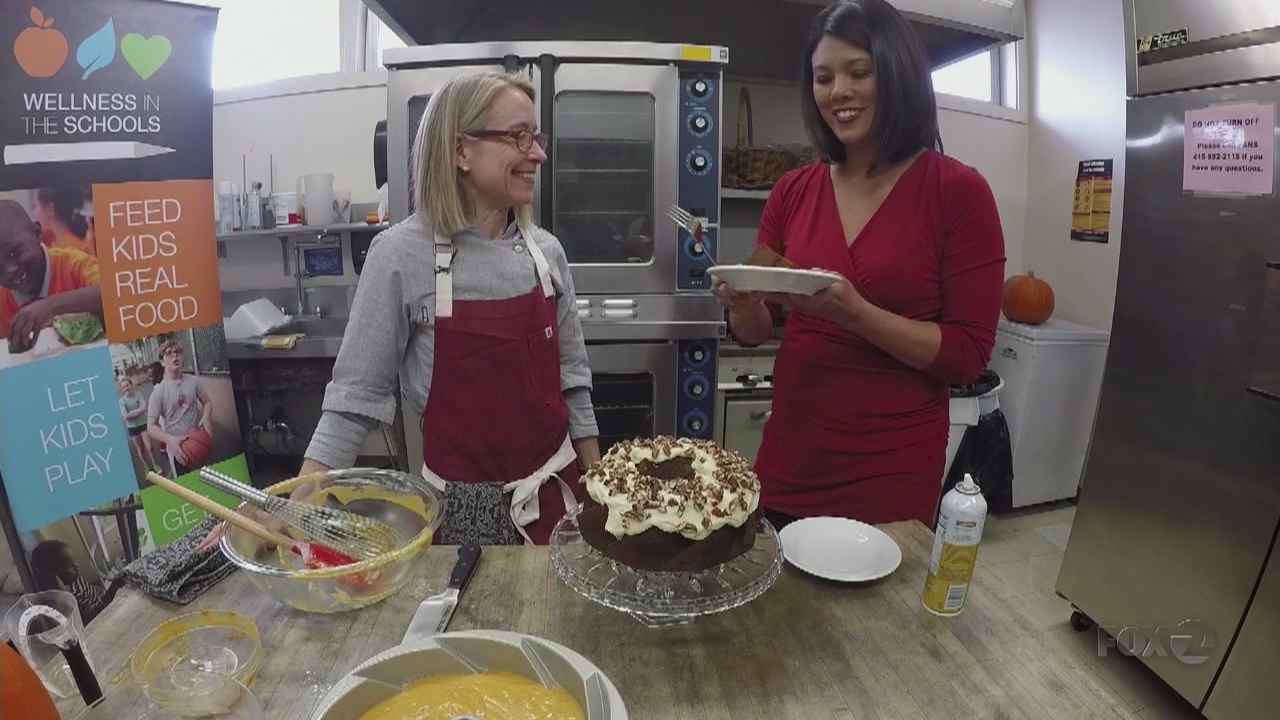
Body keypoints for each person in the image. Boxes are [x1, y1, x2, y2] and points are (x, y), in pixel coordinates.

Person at [202, 71, 601, 550]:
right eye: (519, 137)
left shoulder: (547, 253)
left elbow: (573, 383)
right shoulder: (400, 255)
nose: (538, 153)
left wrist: (597, 490)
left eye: (536, 137)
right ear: (460, 151)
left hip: (560, 502)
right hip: (461, 517)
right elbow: (354, 398)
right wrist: (295, 503)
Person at [713, 0, 1006, 529]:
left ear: (896, 74)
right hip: (792, 455)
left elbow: (967, 355)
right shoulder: (792, 191)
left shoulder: (958, 192)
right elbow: (757, 331)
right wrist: (745, 303)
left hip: (889, 469)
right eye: (823, 78)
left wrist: (855, 313)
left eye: (858, 72)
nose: (837, 92)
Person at [0, 200, 102, 354]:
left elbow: (111, 291)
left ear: (37, 233)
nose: (8, 271)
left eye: (14, 253)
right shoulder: (3, 302)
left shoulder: (72, 265)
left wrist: (51, 306)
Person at [146, 340, 214, 477]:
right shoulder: (159, 392)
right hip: (178, 448)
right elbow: (151, 426)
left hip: (197, 441)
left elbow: (207, 402)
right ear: (162, 361)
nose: (175, 356)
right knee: (187, 486)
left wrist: (206, 417)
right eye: (169, 353)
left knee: (206, 480)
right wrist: (169, 440)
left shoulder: (194, 381)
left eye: (177, 352)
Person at [29, 540, 123, 625]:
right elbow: (96, 614)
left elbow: (92, 591)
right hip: (102, 616)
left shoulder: (74, 578)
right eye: (70, 565)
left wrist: (105, 592)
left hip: (104, 600)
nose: (77, 566)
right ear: (56, 575)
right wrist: (113, 588)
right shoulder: (70, 598)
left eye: (75, 561)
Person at [31, 187, 96, 256]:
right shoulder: (56, 242)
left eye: (35, 206)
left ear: (50, 209)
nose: (33, 214)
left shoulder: (68, 251)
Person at [119, 375, 160, 475]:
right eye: (123, 387)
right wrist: (138, 411)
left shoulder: (138, 395)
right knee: (140, 448)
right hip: (132, 428)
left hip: (142, 424)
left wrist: (132, 413)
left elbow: (144, 408)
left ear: (131, 385)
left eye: (127, 385)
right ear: (122, 390)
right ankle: (146, 466)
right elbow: (126, 416)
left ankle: (155, 463)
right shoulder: (122, 401)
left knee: (149, 447)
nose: (126, 388)